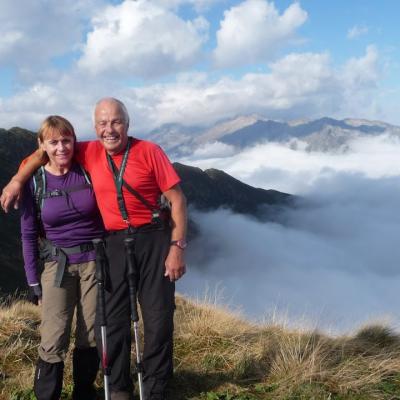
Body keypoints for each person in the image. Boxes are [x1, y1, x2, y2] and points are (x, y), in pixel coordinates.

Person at [2, 98, 188, 400]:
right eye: (102, 123)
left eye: (115, 122)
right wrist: (16, 180)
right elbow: (42, 153)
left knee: (157, 316)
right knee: (112, 319)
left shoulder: (148, 151)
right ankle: (117, 387)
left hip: (152, 238)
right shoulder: (88, 151)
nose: (109, 129)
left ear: (127, 124)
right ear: (95, 127)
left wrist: (177, 247)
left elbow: (178, 200)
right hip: (112, 242)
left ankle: (154, 388)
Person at [20, 115, 104, 400]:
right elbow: (28, 234)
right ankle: (47, 396)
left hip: (95, 261)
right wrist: (33, 281)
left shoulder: (88, 171)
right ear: (41, 145)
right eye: (53, 142)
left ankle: (83, 392)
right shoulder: (35, 182)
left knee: (90, 334)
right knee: (53, 337)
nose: (61, 147)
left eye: (66, 140)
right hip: (57, 265)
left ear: (74, 141)